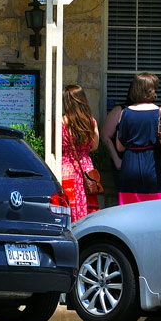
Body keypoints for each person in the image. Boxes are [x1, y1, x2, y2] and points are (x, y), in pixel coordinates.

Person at [112, 72, 161, 205]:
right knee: (159, 210)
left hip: (130, 165)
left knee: (129, 212)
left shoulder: (125, 113)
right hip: (154, 166)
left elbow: (120, 146)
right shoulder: (160, 112)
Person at [60, 85, 100, 221]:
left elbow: (56, 147)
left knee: (68, 207)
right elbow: (95, 146)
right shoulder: (91, 121)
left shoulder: (61, 122)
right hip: (86, 168)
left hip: (66, 167)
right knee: (88, 205)